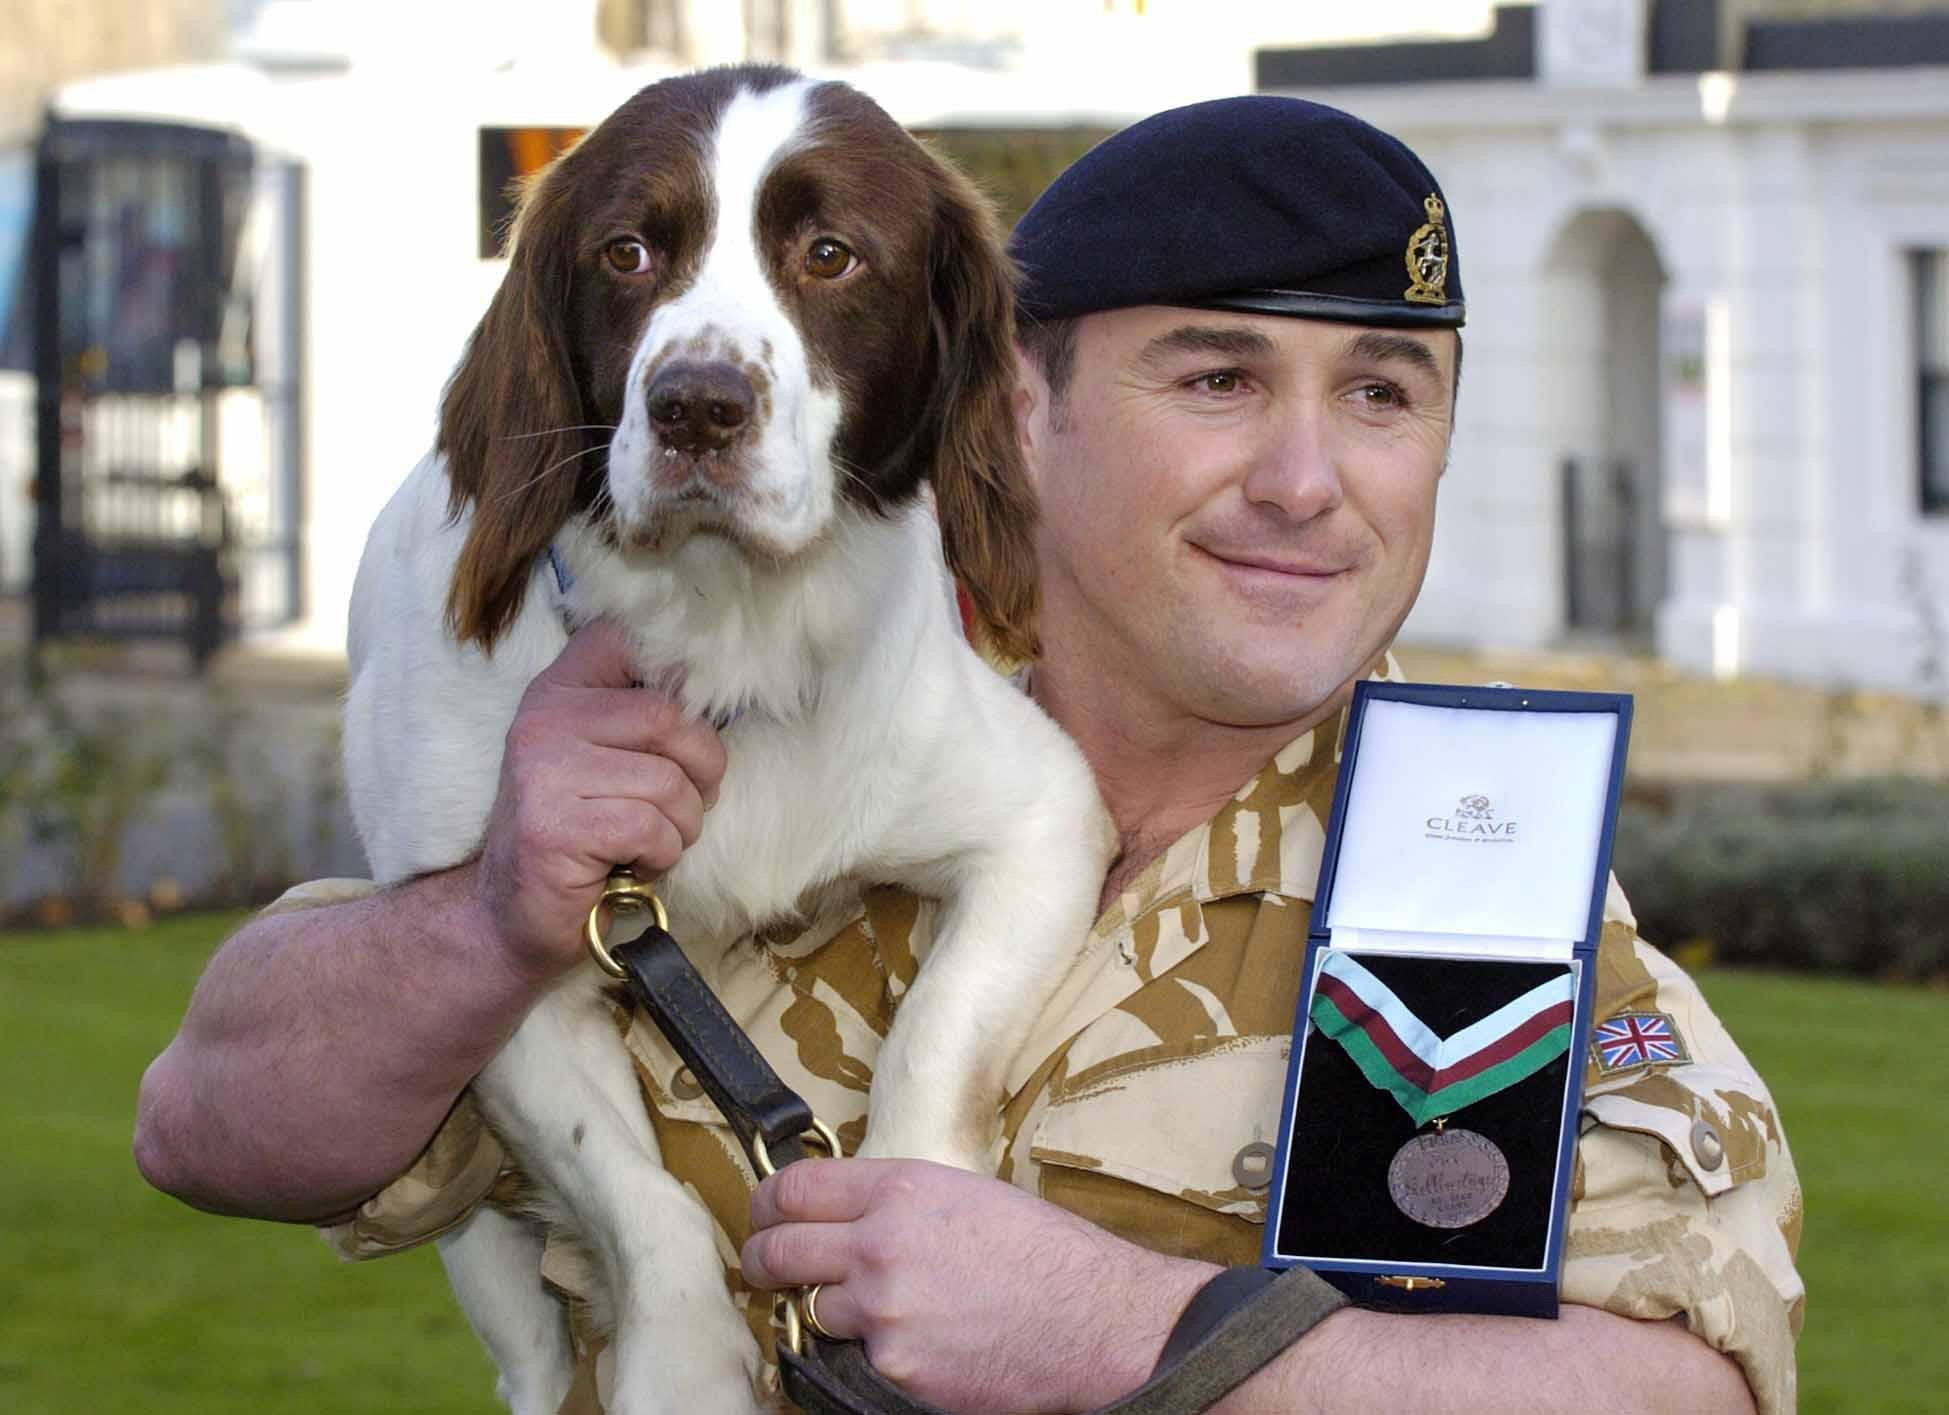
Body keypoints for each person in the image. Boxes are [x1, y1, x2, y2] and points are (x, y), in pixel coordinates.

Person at [134, 96, 1803, 1414]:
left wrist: (1131, 1334)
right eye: (1217, 378)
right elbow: (215, 1129)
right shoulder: (754, 718)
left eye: (1382, 395)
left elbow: (1674, 1389)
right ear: (1012, 405)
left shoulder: (1481, 880)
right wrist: (493, 913)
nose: (1308, 480)